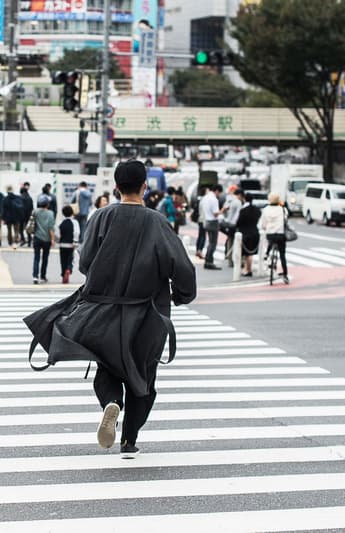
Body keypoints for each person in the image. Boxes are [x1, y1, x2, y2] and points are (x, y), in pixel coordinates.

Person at [79, 159, 196, 457]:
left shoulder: (100, 218)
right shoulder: (157, 222)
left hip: (105, 312)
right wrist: (180, 296)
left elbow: (84, 263)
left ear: (116, 187)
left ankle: (110, 402)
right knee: (143, 376)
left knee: (107, 367)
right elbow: (182, 268)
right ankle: (129, 439)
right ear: (145, 186)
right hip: (147, 314)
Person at [259, 192, 289, 284]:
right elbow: (286, 220)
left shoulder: (265, 210)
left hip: (270, 234)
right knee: (282, 254)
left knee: (270, 241)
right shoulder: (283, 209)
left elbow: (263, 224)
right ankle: (285, 274)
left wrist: (265, 227)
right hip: (280, 234)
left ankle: (267, 255)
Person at [32, 196, 56, 284]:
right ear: (47, 204)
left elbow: (32, 223)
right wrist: (53, 239)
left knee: (36, 257)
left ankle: (35, 276)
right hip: (47, 239)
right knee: (45, 258)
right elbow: (51, 228)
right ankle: (42, 276)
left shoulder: (35, 211)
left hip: (37, 237)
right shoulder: (50, 213)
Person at [236, 193, 261, 277]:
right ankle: (247, 268)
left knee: (247, 253)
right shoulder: (257, 210)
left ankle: (248, 270)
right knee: (250, 253)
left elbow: (238, 222)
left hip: (245, 233)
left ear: (244, 199)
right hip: (255, 232)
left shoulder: (243, 210)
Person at [200, 184, 224, 269]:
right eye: (219, 193)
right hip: (213, 222)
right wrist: (223, 210)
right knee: (213, 243)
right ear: (217, 191)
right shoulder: (214, 199)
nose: (219, 195)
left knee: (210, 242)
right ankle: (209, 261)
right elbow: (215, 213)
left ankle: (207, 261)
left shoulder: (206, 197)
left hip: (207, 220)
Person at [221, 188, 244, 266]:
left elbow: (224, 210)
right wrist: (236, 223)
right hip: (234, 224)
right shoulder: (238, 202)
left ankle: (229, 259)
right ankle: (235, 260)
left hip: (227, 222)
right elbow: (238, 214)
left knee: (230, 240)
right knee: (236, 242)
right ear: (240, 195)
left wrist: (226, 218)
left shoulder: (229, 200)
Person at [58, 205, 79, 284]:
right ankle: (68, 269)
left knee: (63, 261)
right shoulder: (75, 222)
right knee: (70, 259)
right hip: (71, 245)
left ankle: (63, 275)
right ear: (72, 213)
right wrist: (75, 241)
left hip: (62, 245)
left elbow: (57, 234)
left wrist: (58, 241)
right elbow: (76, 232)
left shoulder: (61, 222)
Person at [19, 182, 34, 247]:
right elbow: (32, 207)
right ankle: (29, 241)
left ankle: (23, 239)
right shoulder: (30, 198)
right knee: (28, 228)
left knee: (21, 229)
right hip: (28, 215)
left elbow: (19, 207)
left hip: (21, 215)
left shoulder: (20, 198)